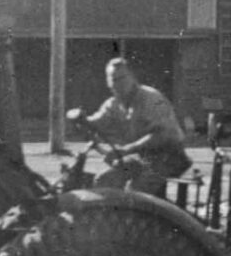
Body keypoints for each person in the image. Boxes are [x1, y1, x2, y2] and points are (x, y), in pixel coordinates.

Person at [69, 57, 192, 195]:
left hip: (170, 157)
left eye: (122, 78)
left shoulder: (151, 98)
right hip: (142, 158)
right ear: (108, 83)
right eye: (113, 79)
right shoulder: (114, 104)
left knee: (135, 191)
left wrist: (127, 149)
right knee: (104, 181)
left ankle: (141, 216)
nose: (117, 84)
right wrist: (82, 120)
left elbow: (162, 135)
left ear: (133, 78)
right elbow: (97, 122)